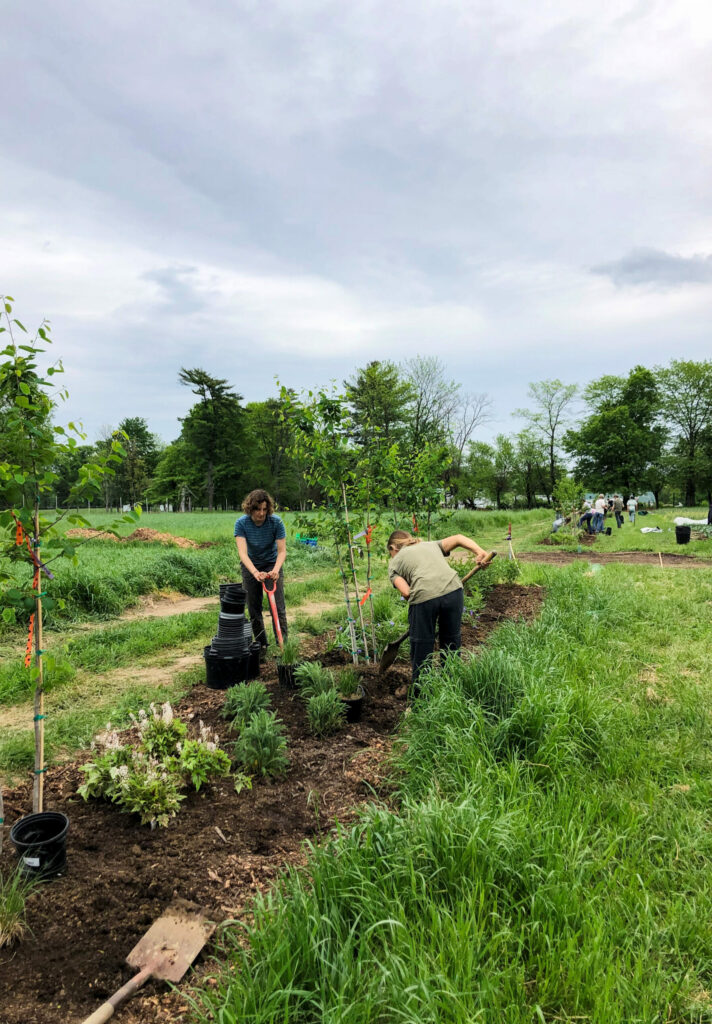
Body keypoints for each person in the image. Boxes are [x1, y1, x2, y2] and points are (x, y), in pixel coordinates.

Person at [387, 530, 495, 693]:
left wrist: (420, 615)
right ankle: (451, 691)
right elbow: (458, 538)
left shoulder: (394, 564)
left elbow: (406, 592)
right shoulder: (431, 545)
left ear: (392, 548)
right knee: (451, 642)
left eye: (390, 553)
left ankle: (420, 699)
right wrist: (480, 552)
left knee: (421, 646)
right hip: (454, 591)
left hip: (424, 597)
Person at [234, 489, 287, 655]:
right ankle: (261, 645)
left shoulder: (276, 523)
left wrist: (275, 570)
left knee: (278, 608)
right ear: (250, 509)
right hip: (251, 565)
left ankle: (283, 645)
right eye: (258, 509)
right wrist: (255, 572)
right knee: (254, 608)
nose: (261, 513)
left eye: (264, 509)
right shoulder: (241, 524)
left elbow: (282, 551)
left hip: (272, 563)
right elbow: (242, 553)